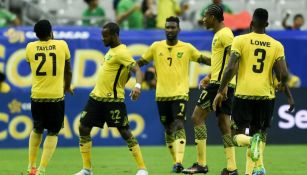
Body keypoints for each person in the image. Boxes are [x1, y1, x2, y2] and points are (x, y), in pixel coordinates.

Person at [213, 8, 295, 175]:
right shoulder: (276, 45)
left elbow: (230, 69)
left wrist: (221, 90)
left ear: (251, 23)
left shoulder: (240, 40)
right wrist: (288, 94)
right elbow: (283, 74)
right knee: (261, 133)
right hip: (266, 96)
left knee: (236, 136)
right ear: (267, 24)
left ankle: (251, 142)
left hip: (244, 95)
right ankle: (255, 169)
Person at [137, 16, 211, 173]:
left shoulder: (187, 48)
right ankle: (175, 161)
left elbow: (203, 59)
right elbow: (140, 63)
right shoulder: (156, 47)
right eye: (168, 27)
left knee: (179, 124)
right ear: (164, 29)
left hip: (180, 94)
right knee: (168, 129)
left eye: (173, 27)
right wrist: (126, 67)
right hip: (161, 95)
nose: (170, 30)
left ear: (179, 29)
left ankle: (178, 162)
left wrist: (220, 62)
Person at [74, 22, 148, 175]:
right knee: (83, 128)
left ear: (115, 36)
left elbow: (137, 70)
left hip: (112, 100)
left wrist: (137, 86)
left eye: (106, 36)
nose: (103, 39)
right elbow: (121, 74)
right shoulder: (111, 51)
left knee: (124, 131)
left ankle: (142, 169)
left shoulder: (122, 52)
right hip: (96, 98)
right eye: (102, 36)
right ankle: (87, 169)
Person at [182, 4, 238, 175]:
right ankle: (231, 167)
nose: (203, 19)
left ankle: (201, 164)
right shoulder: (219, 35)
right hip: (221, 83)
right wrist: (209, 76)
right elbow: (222, 62)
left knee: (197, 117)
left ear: (213, 17)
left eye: (205, 16)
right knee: (224, 125)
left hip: (220, 85)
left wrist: (222, 87)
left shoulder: (226, 34)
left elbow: (234, 61)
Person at [25, 19, 73, 175]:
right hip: (55, 97)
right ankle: (42, 169)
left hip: (37, 95)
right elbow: (68, 70)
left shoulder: (30, 47)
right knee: (53, 132)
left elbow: (31, 66)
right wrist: (67, 86)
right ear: (51, 31)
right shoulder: (62, 45)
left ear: (36, 34)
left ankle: (30, 166)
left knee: (37, 129)